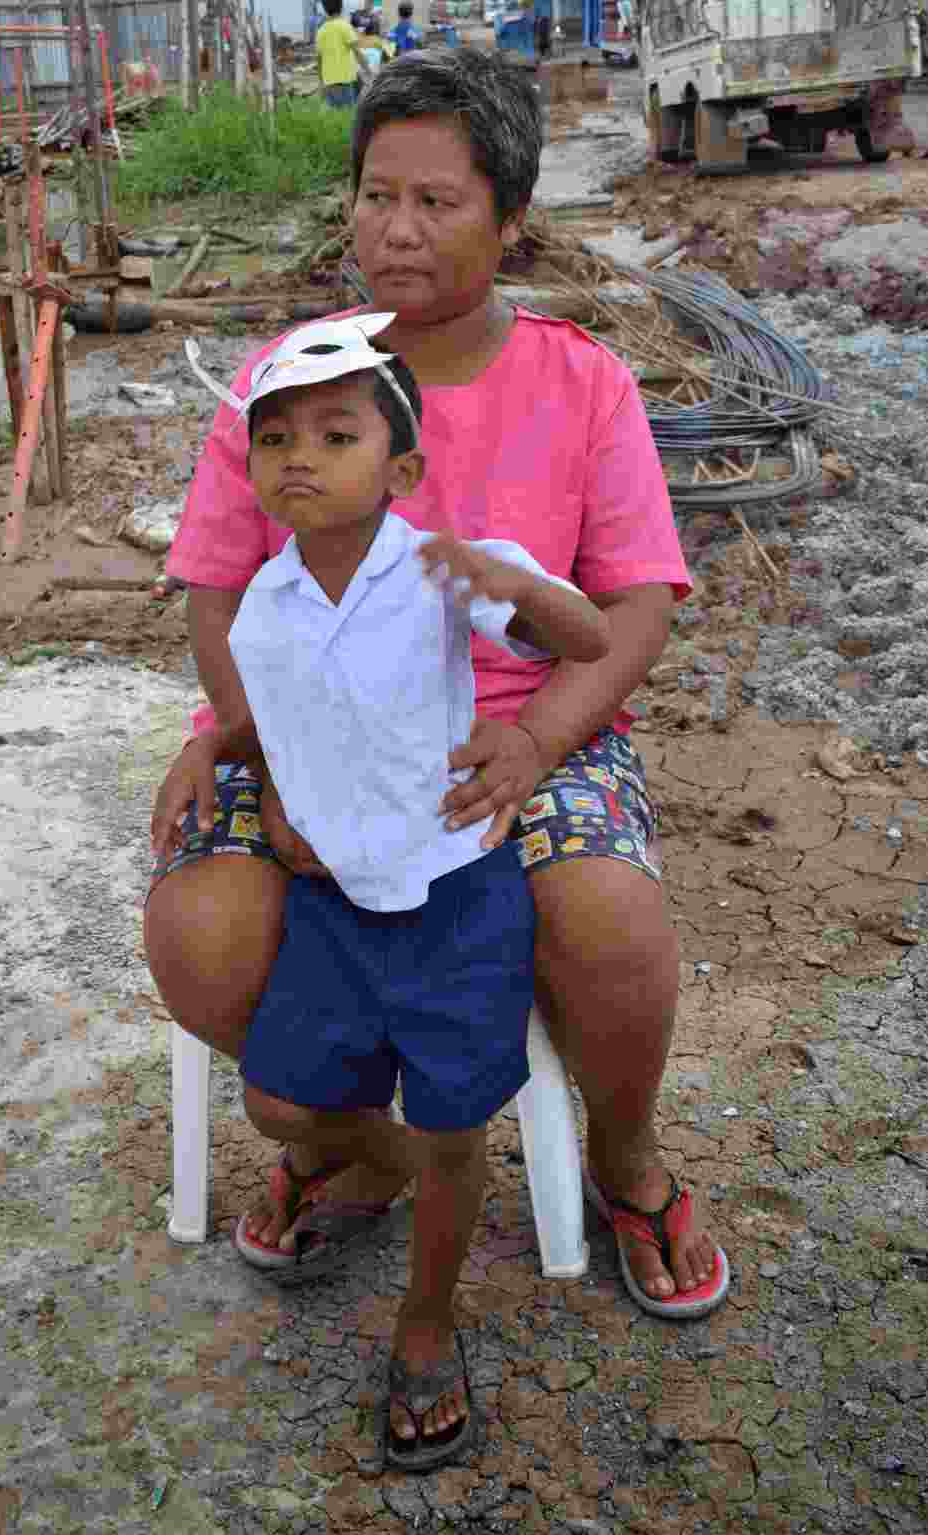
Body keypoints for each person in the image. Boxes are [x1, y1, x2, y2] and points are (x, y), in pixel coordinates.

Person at [146, 43, 729, 1449]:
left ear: (510, 217)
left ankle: (628, 1159)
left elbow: (636, 606)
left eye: (436, 201)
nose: (394, 229)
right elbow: (219, 595)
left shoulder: (583, 383)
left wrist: (533, 742)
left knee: (609, 919)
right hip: (302, 723)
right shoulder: (287, 382)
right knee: (203, 935)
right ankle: (358, 1143)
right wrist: (274, 761)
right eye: (375, 195)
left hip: (521, 724)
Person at [174, 312, 609, 1466]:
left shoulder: (436, 568)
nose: (299, 458)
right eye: (275, 439)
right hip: (333, 903)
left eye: (336, 434)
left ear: (401, 469)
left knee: (454, 1115)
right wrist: (211, 749)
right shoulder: (265, 606)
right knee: (277, 1101)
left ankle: (426, 1318)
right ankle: (405, 1161)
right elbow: (278, 721)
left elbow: (585, 637)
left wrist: (514, 578)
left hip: (455, 895)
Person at [315, 0, 368, 107]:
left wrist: (321, 81)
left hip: (329, 81)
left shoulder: (321, 31)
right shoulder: (345, 26)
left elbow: (319, 59)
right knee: (348, 112)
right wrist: (368, 71)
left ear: (325, 9)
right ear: (341, 7)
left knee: (335, 113)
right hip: (345, 79)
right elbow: (357, 52)